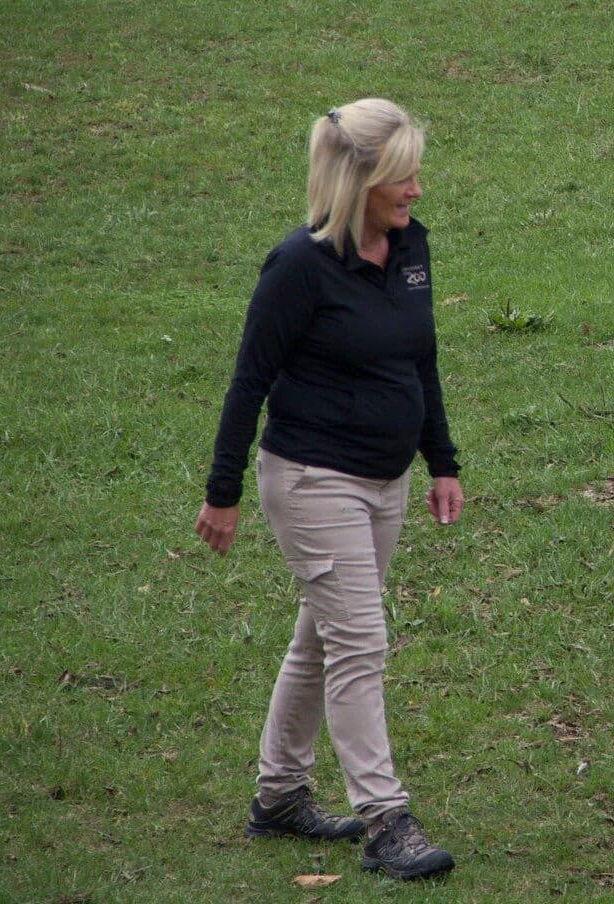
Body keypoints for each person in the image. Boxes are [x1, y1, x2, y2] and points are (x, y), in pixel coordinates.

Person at [195, 97, 463, 881]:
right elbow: (249, 382)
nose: (416, 191)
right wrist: (223, 492)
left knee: (324, 635)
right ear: (357, 181)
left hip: (386, 481)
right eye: (402, 178)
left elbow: (422, 360)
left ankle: (278, 797)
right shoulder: (298, 267)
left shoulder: (411, 249)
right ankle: (386, 820)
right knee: (360, 641)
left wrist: (441, 461)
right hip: (313, 479)